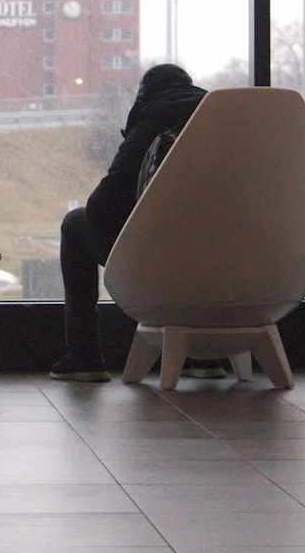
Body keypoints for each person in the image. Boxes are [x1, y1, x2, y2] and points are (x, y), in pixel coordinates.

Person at [50, 63, 217, 382]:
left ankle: (85, 356)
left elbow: (102, 206)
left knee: (75, 224)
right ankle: (207, 357)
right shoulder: (224, 127)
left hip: (159, 259)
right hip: (229, 265)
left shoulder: (153, 122)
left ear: (144, 95)